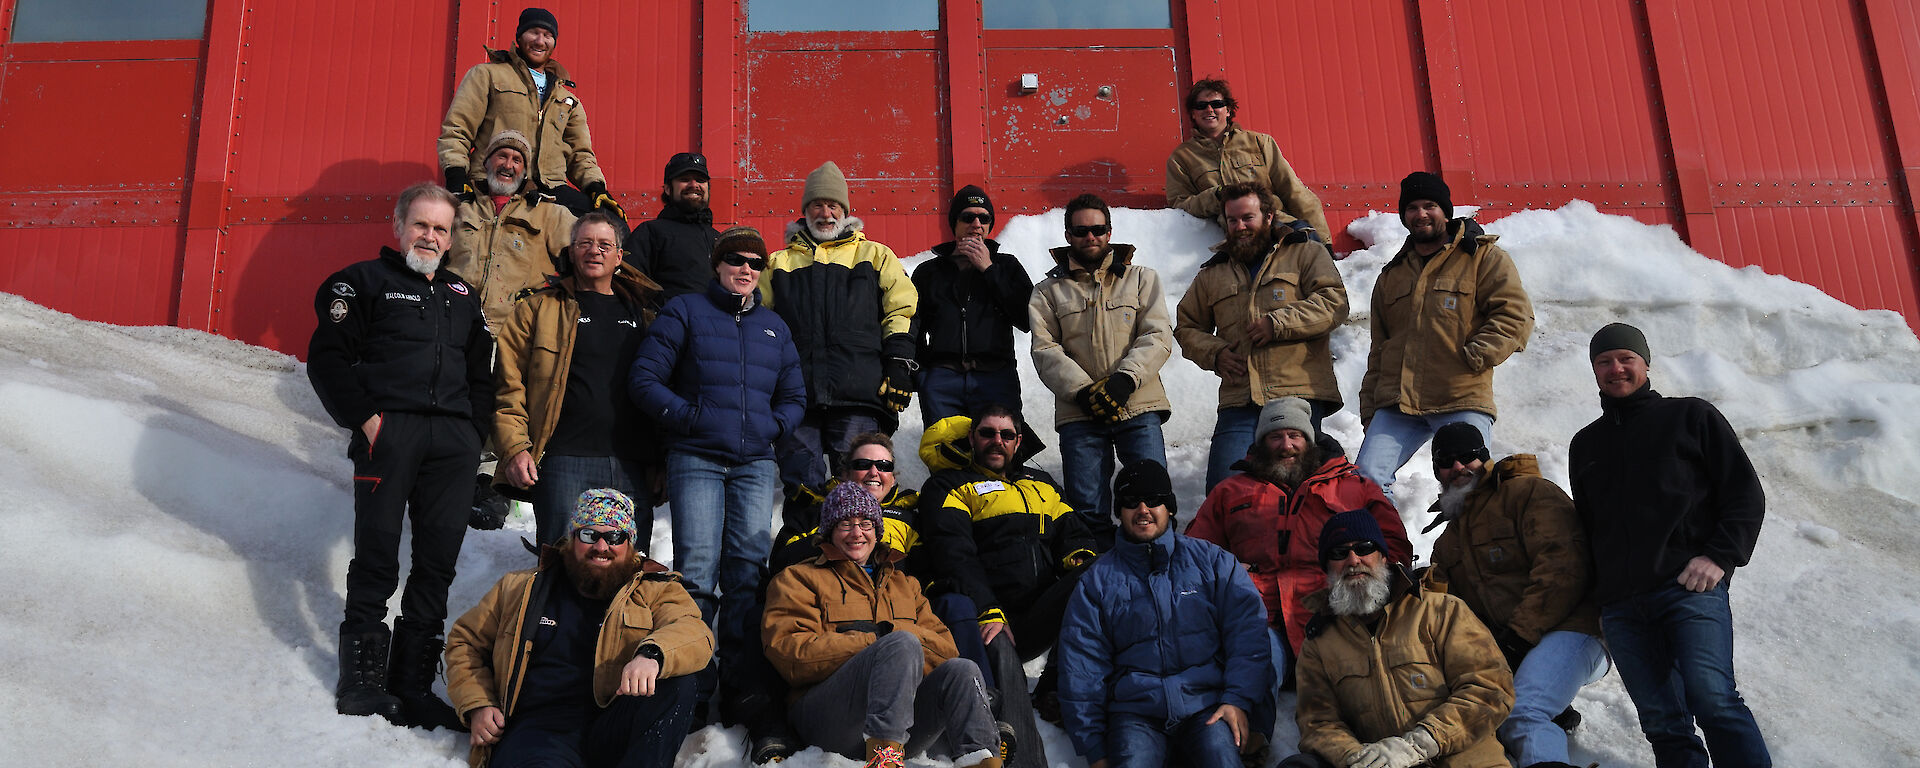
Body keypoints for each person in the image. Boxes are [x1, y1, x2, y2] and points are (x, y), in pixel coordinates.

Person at [306, 182, 492, 729]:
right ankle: (362, 683)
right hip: (391, 434)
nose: (430, 236)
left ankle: (411, 685)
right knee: (378, 555)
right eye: (421, 225)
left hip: (453, 446)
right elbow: (329, 360)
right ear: (399, 226)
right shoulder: (362, 283)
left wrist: (473, 433)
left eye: (441, 228)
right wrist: (368, 421)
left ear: (452, 236)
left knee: (436, 564)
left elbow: (482, 372)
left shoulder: (463, 296)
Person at [627, 225, 807, 726]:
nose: (745, 269)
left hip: (754, 464)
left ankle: (741, 686)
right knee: (699, 575)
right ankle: (694, 685)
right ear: (718, 265)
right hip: (697, 459)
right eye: (736, 260)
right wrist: (689, 418)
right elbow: (645, 379)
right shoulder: (685, 311)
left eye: (754, 262)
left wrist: (775, 426)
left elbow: (795, 396)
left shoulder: (774, 327)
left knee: (748, 575)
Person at [1570, 323, 1770, 767]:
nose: (1615, 368)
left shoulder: (1690, 417)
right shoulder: (1586, 445)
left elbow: (1743, 492)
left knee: (1713, 699)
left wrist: (1720, 555)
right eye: (1604, 361)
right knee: (1663, 722)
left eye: (1626, 358)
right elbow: (1587, 528)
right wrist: (1599, 602)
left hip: (1687, 592)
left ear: (1645, 364)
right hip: (1622, 608)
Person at [445, 489, 712, 768]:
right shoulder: (520, 588)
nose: (601, 546)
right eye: (589, 534)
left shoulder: (655, 589)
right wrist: (477, 703)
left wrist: (653, 655)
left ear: (629, 542)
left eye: (614, 536)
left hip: (613, 725)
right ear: (572, 538)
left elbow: (693, 630)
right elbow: (465, 642)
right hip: (540, 732)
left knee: (678, 684)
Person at [763, 482, 1007, 768]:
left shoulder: (906, 585)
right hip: (827, 719)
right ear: (829, 530)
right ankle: (884, 762)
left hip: (904, 724)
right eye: (845, 524)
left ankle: (982, 761)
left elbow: (947, 651)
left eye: (866, 523)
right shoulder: (798, 578)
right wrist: (877, 643)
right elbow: (789, 653)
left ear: (877, 531)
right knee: (899, 643)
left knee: (963, 669)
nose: (857, 533)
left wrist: (894, 640)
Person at [1057, 459, 1272, 768]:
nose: (1143, 509)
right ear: (1119, 512)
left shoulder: (1213, 562)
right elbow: (1081, 665)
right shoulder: (1097, 580)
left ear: (1169, 507)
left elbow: (1248, 634)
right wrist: (1094, 747)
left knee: (1222, 759)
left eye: (1154, 500)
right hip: (1135, 715)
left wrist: (1236, 699)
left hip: (1207, 707)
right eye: (1131, 502)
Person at [1186, 397, 1410, 687]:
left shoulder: (1353, 487)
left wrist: (1369, 577)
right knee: (1255, 675)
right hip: (1259, 618)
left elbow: (1395, 544)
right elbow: (1194, 553)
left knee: (1360, 688)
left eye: (1295, 436)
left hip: (1336, 617)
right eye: (1275, 437)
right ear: (1261, 442)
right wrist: (1225, 569)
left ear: (1309, 440)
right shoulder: (1230, 491)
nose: (1286, 445)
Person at [1424, 423, 1607, 768]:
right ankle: (1554, 708)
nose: (1459, 467)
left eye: (1468, 457)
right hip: (1515, 644)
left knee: (1523, 713)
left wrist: (1519, 637)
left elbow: (1564, 567)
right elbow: (1444, 608)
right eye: (1447, 461)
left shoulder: (1527, 493)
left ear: (1485, 457)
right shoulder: (1447, 542)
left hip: (1574, 628)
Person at [1284, 511, 1514, 768]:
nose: (1353, 560)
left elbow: (1490, 688)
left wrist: (1419, 744)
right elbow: (1317, 721)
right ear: (1327, 568)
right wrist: (1357, 758)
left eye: (1364, 548)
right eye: (1338, 553)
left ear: (1383, 556)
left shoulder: (1442, 610)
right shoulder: (1319, 642)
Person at [1356, 171, 1534, 499]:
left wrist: (1473, 356)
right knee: (1365, 482)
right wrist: (1370, 407)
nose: (1420, 214)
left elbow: (1515, 316)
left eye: (1430, 206)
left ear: (1445, 211)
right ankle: (1383, 551)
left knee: (1471, 486)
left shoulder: (1482, 257)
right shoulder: (1391, 276)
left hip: (1460, 394)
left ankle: (1469, 551)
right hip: (1398, 403)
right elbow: (1379, 348)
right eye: (1411, 208)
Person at [493, 212, 661, 546]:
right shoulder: (537, 309)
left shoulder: (646, 317)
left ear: (619, 257)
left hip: (632, 465)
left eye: (604, 245)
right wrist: (514, 448)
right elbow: (507, 386)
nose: (594, 251)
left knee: (629, 572)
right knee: (560, 564)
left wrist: (661, 463)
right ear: (571, 252)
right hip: (563, 461)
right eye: (584, 243)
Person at [1175, 183, 1347, 492]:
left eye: (1248, 217)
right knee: (1224, 490)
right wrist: (1215, 353)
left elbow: (1334, 304)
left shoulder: (1305, 252)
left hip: (1297, 392)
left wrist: (1278, 323)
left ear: (1269, 216)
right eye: (1232, 220)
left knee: (1295, 488)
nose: (1239, 227)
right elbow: (1187, 327)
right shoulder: (1213, 273)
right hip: (1240, 400)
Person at [763, 160, 919, 489]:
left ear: (845, 211)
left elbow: (902, 309)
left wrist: (899, 361)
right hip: (796, 398)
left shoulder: (876, 255)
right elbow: (758, 325)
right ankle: (804, 542)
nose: (826, 213)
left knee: (858, 489)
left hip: (858, 395)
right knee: (801, 490)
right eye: (817, 204)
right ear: (805, 210)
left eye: (833, 205)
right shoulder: (778, 263)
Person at [1030, 193, 1173, 542]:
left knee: (1153, 501)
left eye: (1098, 229)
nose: (1090, 237)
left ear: (1110, 232)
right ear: (1068, 235)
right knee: (1087, 508)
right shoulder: (1046, 292)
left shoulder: (1142, 279)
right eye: (1081, 231)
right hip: (1080, 414)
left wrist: (1125, 380)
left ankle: (1158, 573)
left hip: (1138, 406)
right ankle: (1098, 581)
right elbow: (1045, 349)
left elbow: (1157, 335)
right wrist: (1083, 392)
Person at [438, 7, 622, 220]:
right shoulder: (487, 75)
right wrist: (456, 175)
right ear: (519, 37)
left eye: (548, 35)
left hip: (550, 189)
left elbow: (580, 153)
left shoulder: (567, 100)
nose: (540, 41)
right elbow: (457, 129)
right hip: (495, 183)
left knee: (610, 222)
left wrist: (596, 187)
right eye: (533, 32)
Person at [910, 185, 1034, 425]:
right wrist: (924, 374)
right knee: (945, 455)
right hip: (942, 380)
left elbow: (1026, 319)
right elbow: (913, 325)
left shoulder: (1007, 267)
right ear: (954, 224)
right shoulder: (929, 272)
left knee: (997, 454)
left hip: (995, 376)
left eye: (984, 218)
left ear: (989, 225)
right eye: (968, 217)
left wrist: (989, 270)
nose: (977, 224)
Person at [447, 129, 579, 334]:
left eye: (517, 160)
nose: (508, 165)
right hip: (456, 328)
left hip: (516, 334)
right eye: (502, 156)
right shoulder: (457, 211)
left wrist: (552, 292)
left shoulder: (549, 214)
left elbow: (591, 253)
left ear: (525, 170)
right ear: (486, 163)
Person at [1165, 78, 1330, 238]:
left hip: (1281, 226)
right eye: (1201, 106)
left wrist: (1323, 240)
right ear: (1193, 114)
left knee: (1307, 247)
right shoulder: (1181, 158)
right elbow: (1180, 205)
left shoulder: (1259, 143)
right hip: (1236, 236)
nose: (1209, 110)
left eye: (1216, 104)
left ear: (1228, 110)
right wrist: (1215, 196)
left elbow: (1294, 191)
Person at [628, 152, 720, 301]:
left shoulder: (720, 239)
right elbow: (630, 285)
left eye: (700, 180)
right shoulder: (650, 232)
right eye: (684, 179)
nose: (694, 185)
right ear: (668, 189)